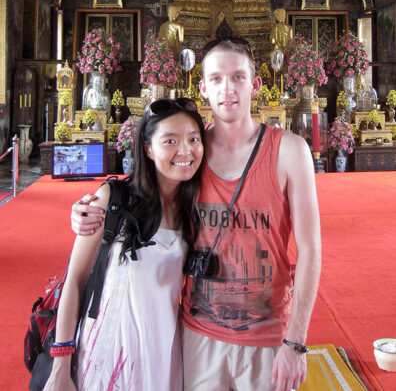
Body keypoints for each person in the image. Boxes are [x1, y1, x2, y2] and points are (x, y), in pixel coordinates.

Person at [71, 39, 321, 391]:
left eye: (238, 77)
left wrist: (296, 342)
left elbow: (311, 249)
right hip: (199, 333)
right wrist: (87, 210)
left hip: (268, 333)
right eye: (216, 79)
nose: (228, 89)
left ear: (256, 83)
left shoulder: (290, 151)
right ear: (202, 87)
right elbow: (138, 193)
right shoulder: (191, 154)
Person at [44, 98, 205, 391]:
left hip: (163, 353)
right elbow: (75, 280)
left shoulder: (195, 207)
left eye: (194, 139)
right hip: (108, 347)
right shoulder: (114, 199)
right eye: (170, 140)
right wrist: (60, 364)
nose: (185, 150)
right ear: (148, 148)